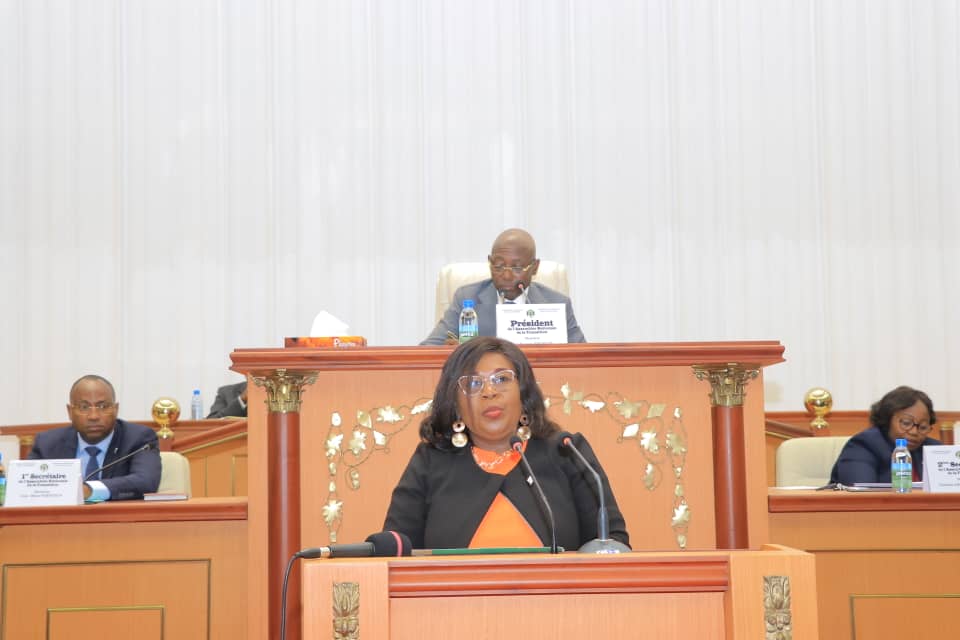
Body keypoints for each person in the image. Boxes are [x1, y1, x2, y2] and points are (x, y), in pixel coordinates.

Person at [384, 337, 629, 551]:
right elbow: (396, 550)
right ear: (456, 404)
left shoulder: (566, 451)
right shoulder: (430, 461)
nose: (489, 391)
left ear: (524, 394)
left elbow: (612, 543)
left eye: (501, 379)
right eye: (473, 383)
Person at [421, 228, 586, 345]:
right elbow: (428, 349)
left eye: (517, 268)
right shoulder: (467, 299)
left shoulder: (557, 304)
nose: (506, 276)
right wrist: (457, 353)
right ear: (490, 262)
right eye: (499, 266)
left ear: (534, 267)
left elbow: (582, 357)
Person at [29, 374, 161, 501]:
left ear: (115, 409)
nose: (94, 416)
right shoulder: (47, 443)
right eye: (84, 407)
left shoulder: (138, 438)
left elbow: (146, 481)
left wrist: (89, 490)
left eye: (103, 406)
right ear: (70, 411)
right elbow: (27, 485)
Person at [829, 385, 942, 485]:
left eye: (923, 427)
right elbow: (863, 494)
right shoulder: (863, 446)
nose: (914, 432)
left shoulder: (935, 449)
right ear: (887, 420)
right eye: (906, 423)